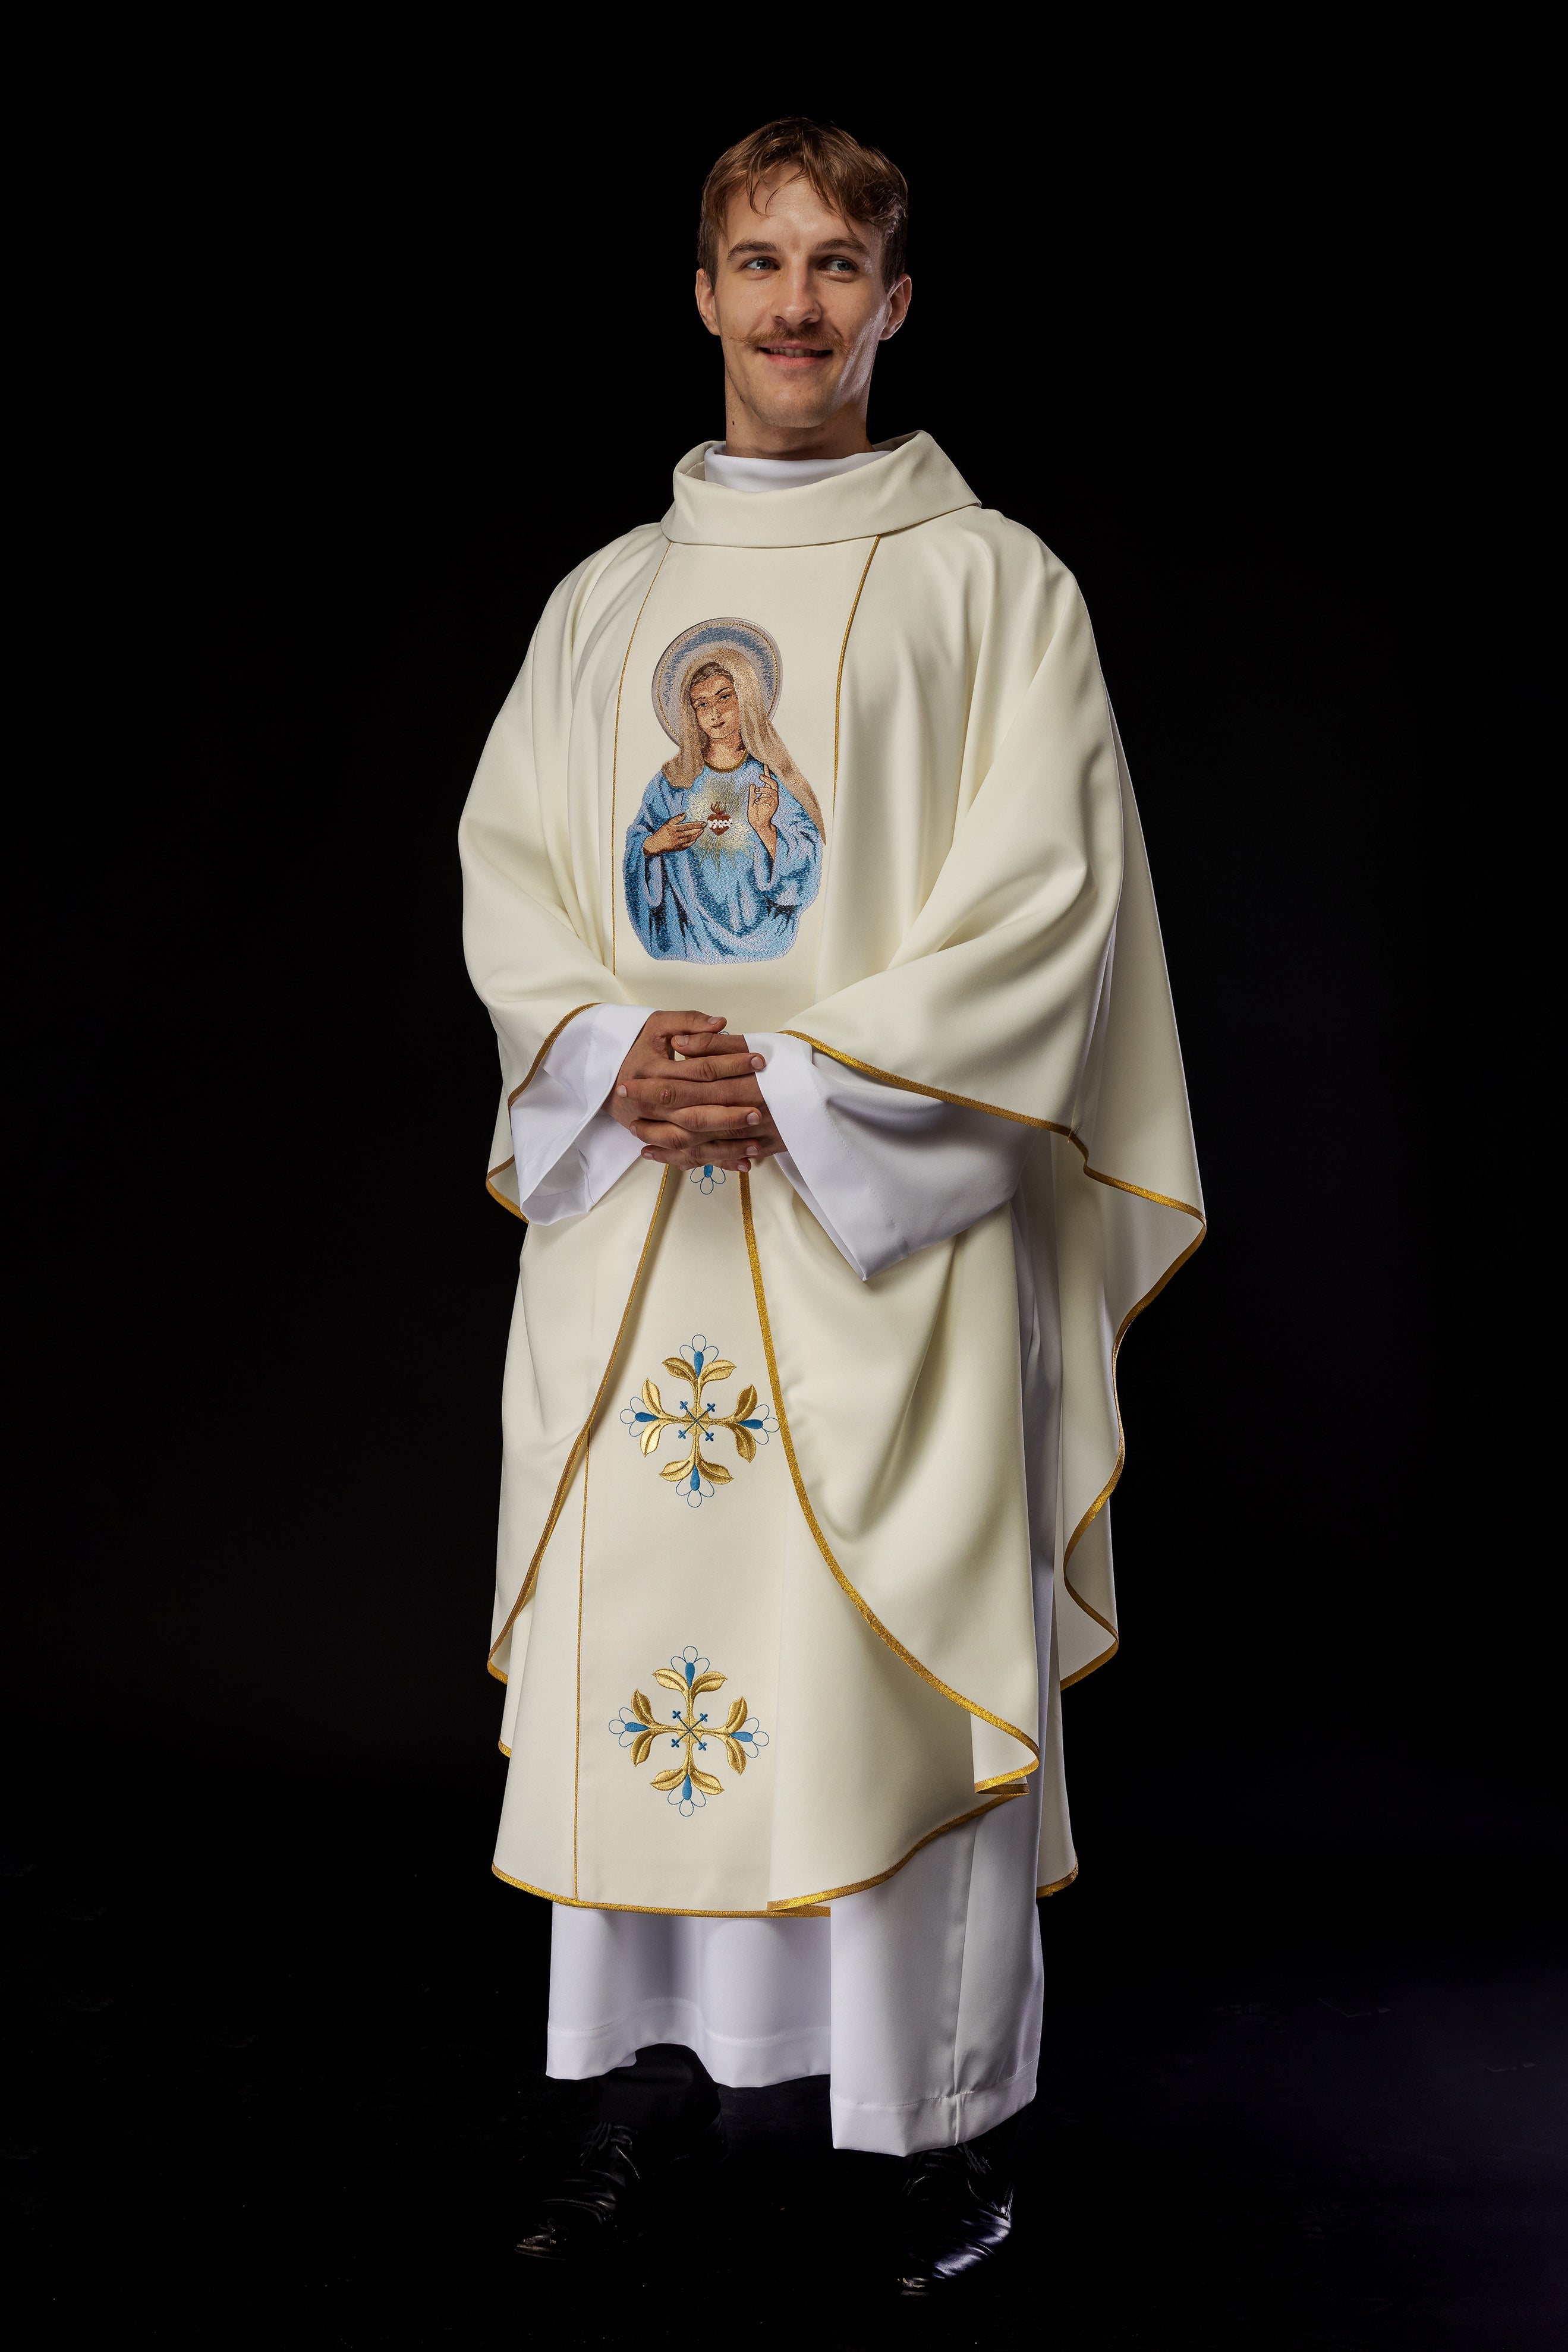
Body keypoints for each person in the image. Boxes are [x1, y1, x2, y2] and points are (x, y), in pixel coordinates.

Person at [459, 115, 1203, 2296]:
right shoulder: (605, 603)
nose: (795, 303)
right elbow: (516, 881)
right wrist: (613, 1054)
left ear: (897, 303)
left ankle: (934, 2126)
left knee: (884, 1673)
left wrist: (794, 1081)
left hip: (890, 1224)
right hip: (644, 1236)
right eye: (757, 261)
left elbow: (1044, 903)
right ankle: (639, 2088)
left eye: (837, 265)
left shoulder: (995, 587)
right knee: (663, 1667)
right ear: (702, 295)